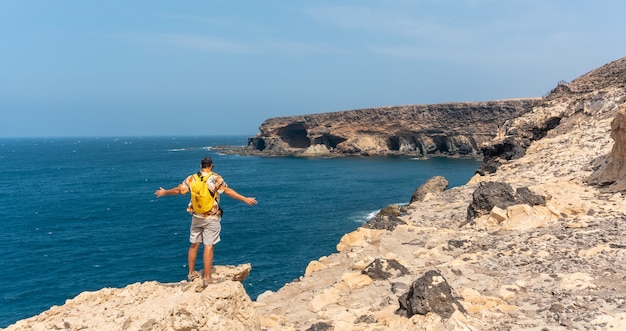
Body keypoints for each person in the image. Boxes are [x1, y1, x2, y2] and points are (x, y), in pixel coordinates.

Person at [154, 156, 257, 290]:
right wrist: (245, 199)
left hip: (196, 216)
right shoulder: (215, 178)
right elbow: (228, 191)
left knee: (194, 244)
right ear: (212, 166)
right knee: (208, 245)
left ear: (201, 166)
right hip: (211, 217)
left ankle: (191, 273)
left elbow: (178, 190)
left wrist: (164, 192)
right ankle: (207, 278)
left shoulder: (192, 178)